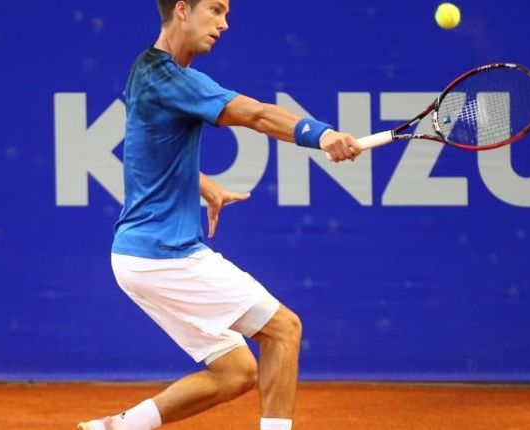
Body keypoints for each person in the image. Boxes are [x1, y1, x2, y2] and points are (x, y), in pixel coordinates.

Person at [77, 1, 361, 430]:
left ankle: (117, 427)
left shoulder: (144, 70)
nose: (224, 24)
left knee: (237, 371)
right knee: (284, 330)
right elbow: (259, 115)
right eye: (215, 9)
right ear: (182, 11)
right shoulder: (172, 79)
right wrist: (322, 135)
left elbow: (149, 151)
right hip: (164, 254)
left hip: (136, 257)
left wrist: (202, 183)